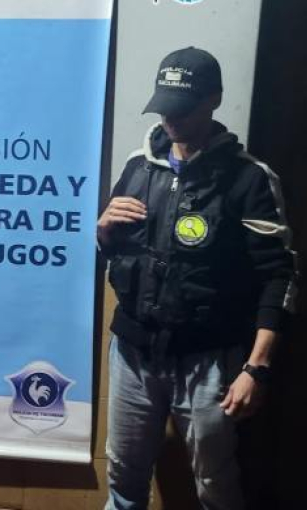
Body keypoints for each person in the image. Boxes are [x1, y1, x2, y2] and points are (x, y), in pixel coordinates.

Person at [98, 47, 296, 510]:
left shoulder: (250, 179)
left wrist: (257, 368)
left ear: (214, 100)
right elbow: (117, 251)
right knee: (123, 477)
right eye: (164, 108)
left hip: (209, 360)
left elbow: (279, 277)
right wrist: (102, 231)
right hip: (132, 352)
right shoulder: (138, 167)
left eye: (183, 109)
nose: (171, 119)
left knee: (215, 483)